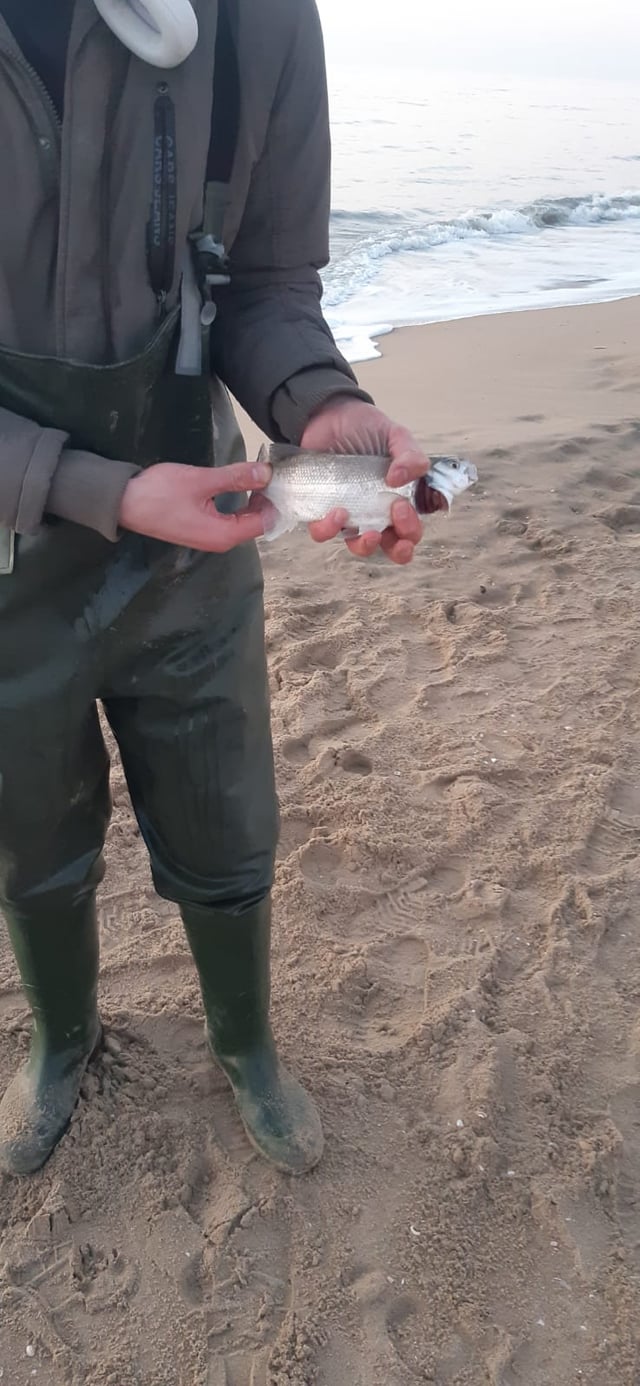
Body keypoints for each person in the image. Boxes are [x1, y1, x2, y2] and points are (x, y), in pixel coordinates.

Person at [0, 0, 432, 1179]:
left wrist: (320, 401)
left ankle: (246, 1045)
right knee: (26, 832)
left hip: (196, 518)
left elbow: (268, 284)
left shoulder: (259, 19)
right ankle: (61, 1039)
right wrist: (103, 489)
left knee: (224, 810)